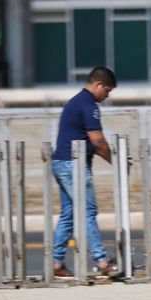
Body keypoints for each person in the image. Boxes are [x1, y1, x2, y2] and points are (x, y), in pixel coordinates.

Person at [51, 67, 120, 280]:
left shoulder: (76, 101)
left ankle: (56, 262)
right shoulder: (89, 105)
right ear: (98, 84)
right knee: (88, 211)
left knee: (69, 214)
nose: (107, 96)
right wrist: (116, 162)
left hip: (61, 162)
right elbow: (97, 140)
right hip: (73, 165)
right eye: (107, 91)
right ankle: (101, 260)